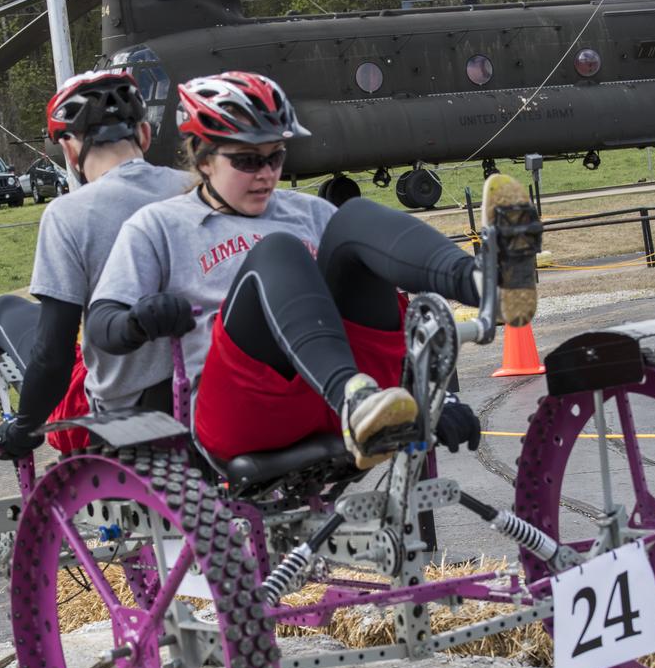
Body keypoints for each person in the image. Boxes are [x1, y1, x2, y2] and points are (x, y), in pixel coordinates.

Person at [86, 71, 502, 469]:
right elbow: (103, 323)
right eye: (248, 161)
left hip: (342, 399)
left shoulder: (310, 212)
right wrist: (137, 322)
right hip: (244, 411)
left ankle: (480, 281)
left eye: (276, 157)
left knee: (355, 216)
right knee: (278, 251)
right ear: (203, 157)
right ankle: (353, 398)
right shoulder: (159, 225)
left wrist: (434, 395)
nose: (267, 174)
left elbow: (394, 307)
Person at [0, 70, 191, 459]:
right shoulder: (193, 189)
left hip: (114, 418)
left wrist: (24, 430)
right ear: (144, 135)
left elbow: (52, 356)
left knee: (4, 313)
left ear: (70, 150)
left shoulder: (70, 214)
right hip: (203, 401)